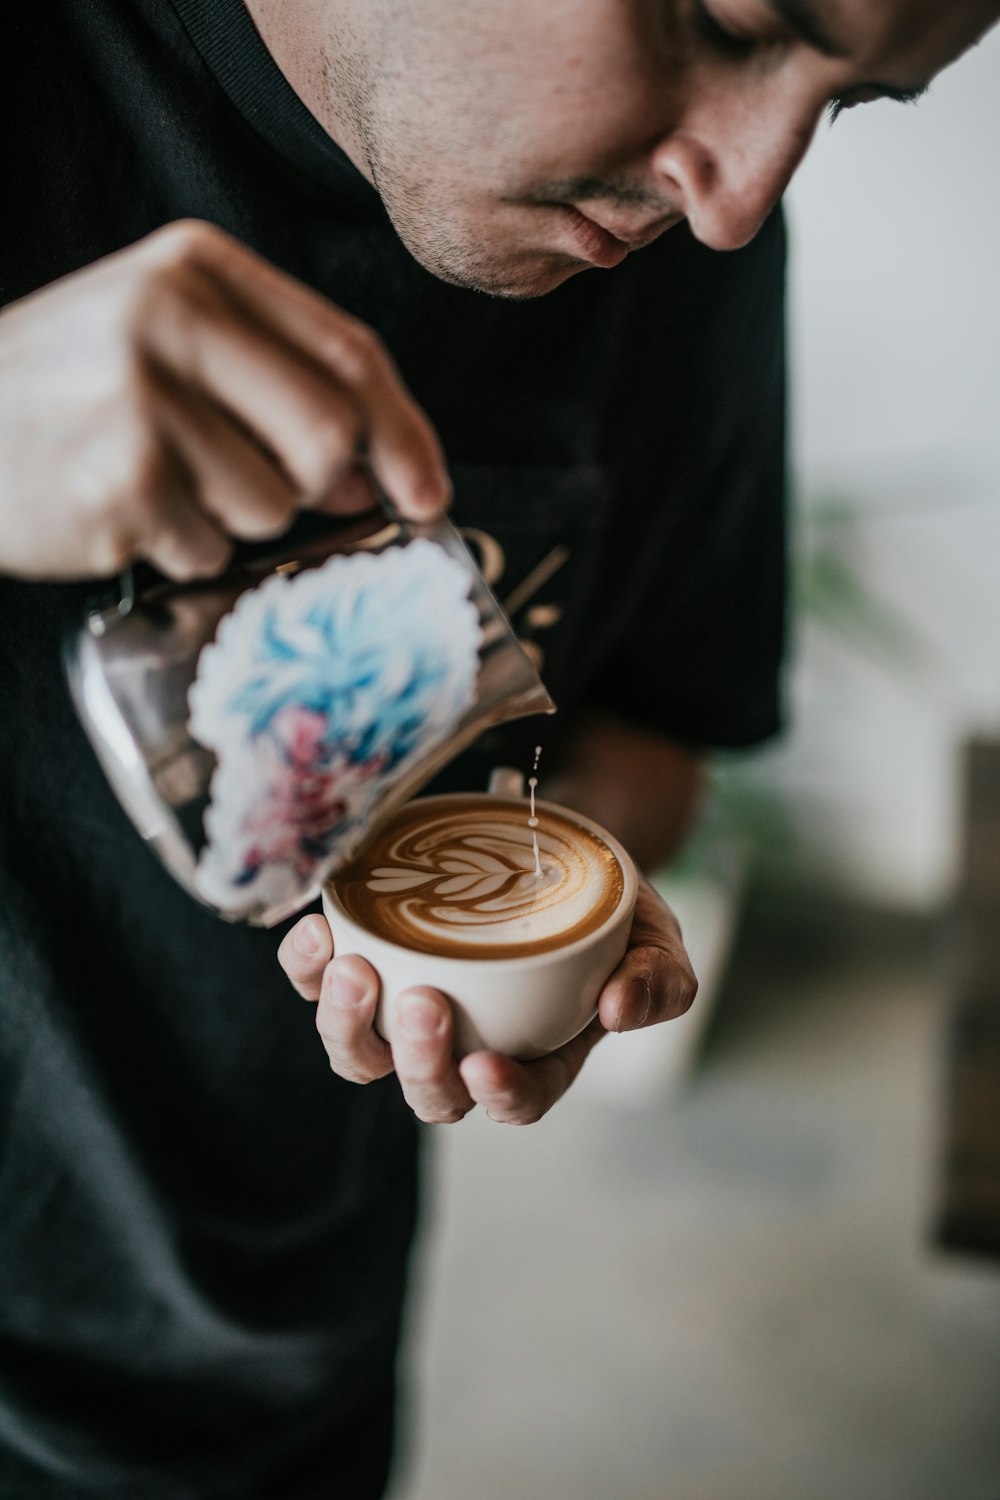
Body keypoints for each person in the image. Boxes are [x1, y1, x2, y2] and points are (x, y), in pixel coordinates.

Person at [0, 1, 995, 1494]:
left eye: (853, 106)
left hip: (277, 1372)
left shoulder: (673, 257)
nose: (737, 195)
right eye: (728, 19)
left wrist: (560, 919)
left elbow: (659, 727)